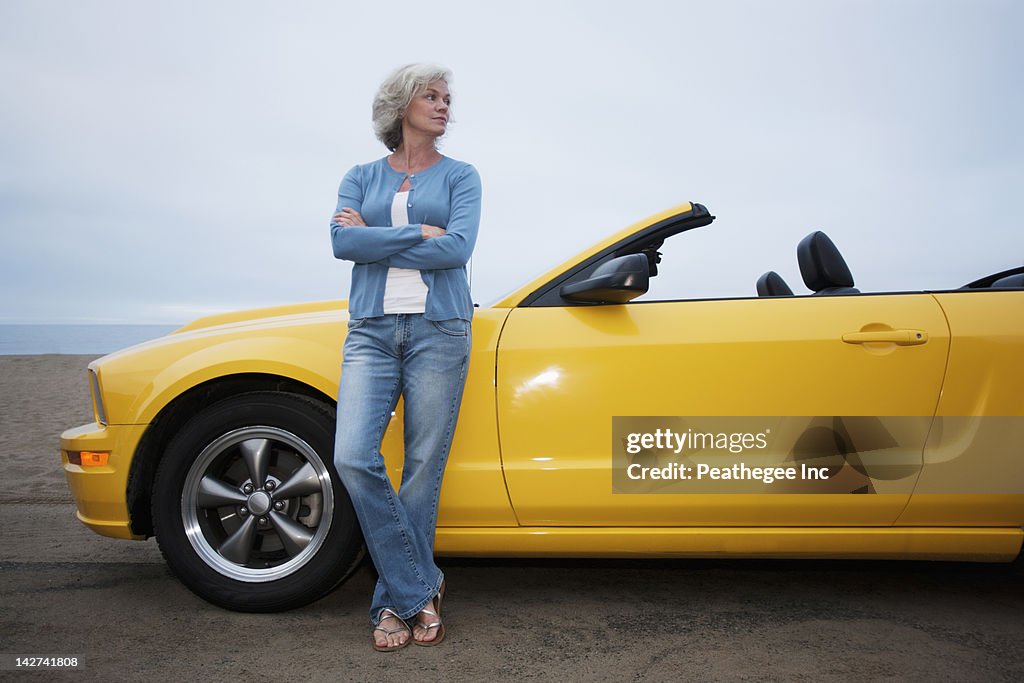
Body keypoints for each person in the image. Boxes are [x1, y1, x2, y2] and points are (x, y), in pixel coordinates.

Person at [329, 63, 481, 652]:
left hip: (439, 330)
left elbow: (458, 249)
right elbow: (343, 243)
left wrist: (379, 236)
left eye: (448, 99)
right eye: (432, 96)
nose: (444, 106)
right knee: (352, 456)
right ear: (401, 105)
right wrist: (420, 234)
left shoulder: (462, 176)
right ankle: (422, 589)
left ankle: (391, 603)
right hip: (370, 331)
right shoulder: (360, 175)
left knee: (422, 469)